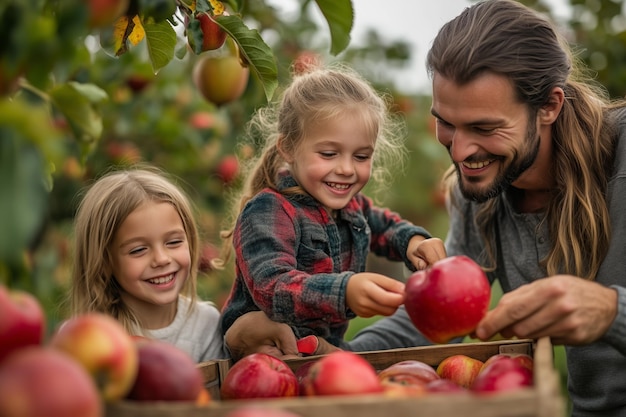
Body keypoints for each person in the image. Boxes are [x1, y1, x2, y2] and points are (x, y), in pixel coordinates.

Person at [225, 1, 626, 415]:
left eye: (484, 128)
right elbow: (437, 321)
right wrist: (333, 366)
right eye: (447, 123)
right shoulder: (482, 193)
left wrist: (611, 311)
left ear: (549, 106)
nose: (461, 150)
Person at [217, 61, 447, 349]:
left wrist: (413, 242)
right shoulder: (269, 211)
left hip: (320, 353)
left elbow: (386, 227)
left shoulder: (352, 208)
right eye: (329, 153)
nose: (347, 169)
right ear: (288, 148)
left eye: (361, 157)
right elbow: (272, 288)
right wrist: (344, 292)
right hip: (264, 353)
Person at [68, 166, 228, 362]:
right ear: (103, 261)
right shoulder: (88, 338)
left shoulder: (206, 325)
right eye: (138, 250)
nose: (161, 259)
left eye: (174, 242)